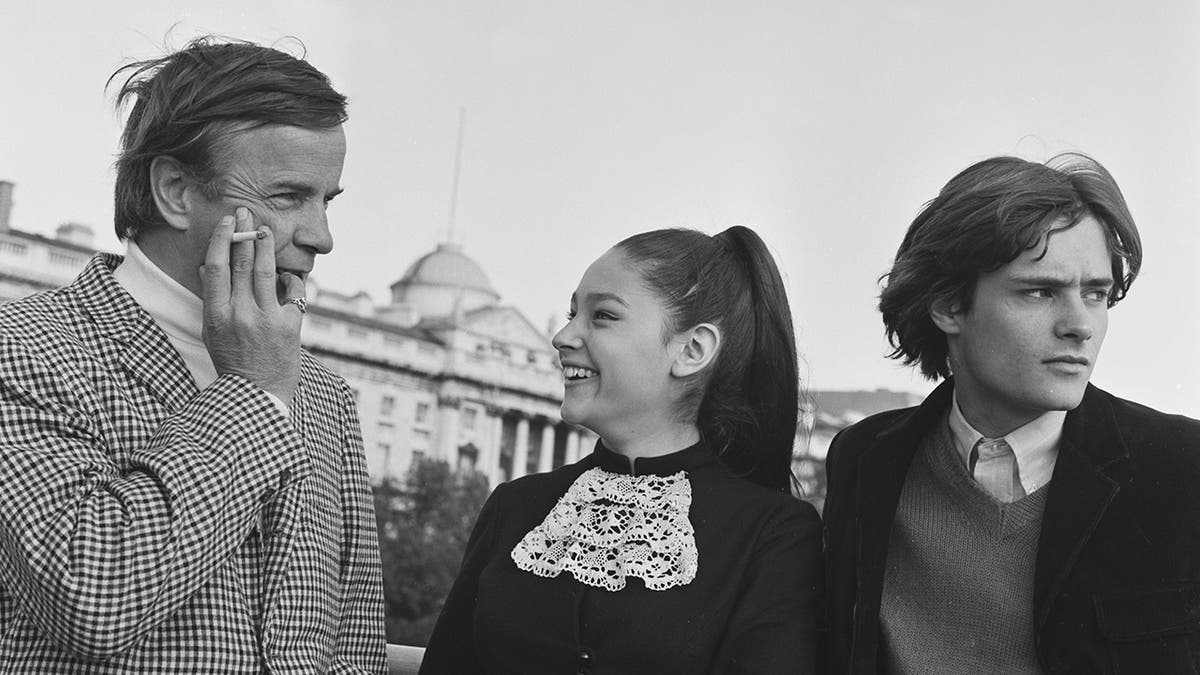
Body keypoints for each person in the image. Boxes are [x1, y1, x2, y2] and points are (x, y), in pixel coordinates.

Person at [0, 37, 385, 671]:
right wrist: (254, 396)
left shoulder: (325, 393)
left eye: (328, 200)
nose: (322, 236)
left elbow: (355, 645)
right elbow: (91, 597)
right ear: (176, 190)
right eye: (289, 197)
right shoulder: (22, 347)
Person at [823, 154, 1200, 673]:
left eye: (1096, 294)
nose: (1080, 325)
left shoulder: (1182, 467)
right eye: (1040, 291)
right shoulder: (865, 460)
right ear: (949, 306)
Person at [420, 226, 823, 673]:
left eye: (603, 316)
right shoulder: (512, 507)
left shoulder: (774, 533)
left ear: (692, 350)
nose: (563, 336)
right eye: (573, 313)